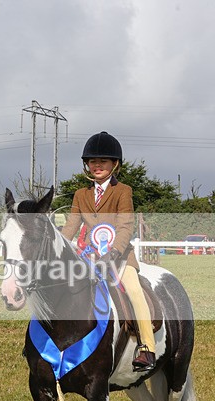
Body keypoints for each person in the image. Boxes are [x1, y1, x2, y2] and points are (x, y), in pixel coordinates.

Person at [60, 131, 156, 372]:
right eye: (93, 161)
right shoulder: (81, 195)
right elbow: (71, 226)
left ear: (115, 164)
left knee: (134, 292)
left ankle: (147, 347)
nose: (97, 165)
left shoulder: (123, 191)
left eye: (103, 161)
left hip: (119, 257)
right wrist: (58, 246)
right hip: (88, 257)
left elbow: (125, 226)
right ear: (87, 165)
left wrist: (112, 253)